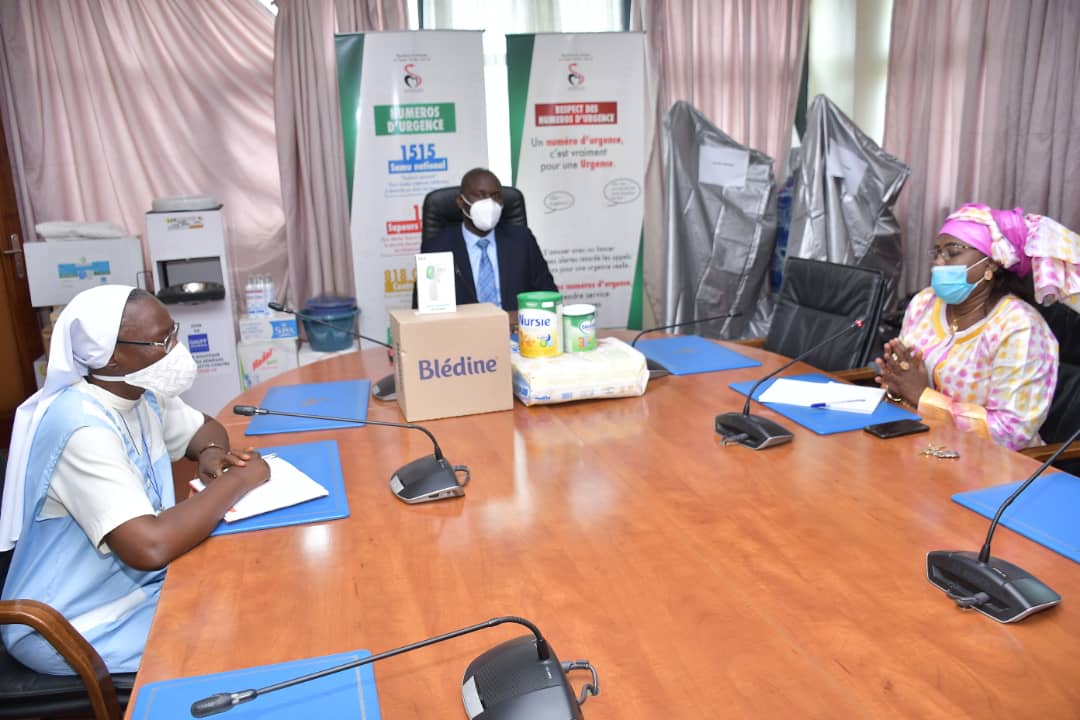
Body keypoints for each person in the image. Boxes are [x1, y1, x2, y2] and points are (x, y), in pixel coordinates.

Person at [0, 285, 269, 675]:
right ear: (111, 358)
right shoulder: (80, 428)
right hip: (70, 621)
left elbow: (205, 429)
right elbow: (150, 546)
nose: (176, 349)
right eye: (162, 341)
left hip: (140, 587)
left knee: (253, 596)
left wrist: (211, 453)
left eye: (173, 333)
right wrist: (238, 481)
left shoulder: (140, 393)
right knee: (239, 638)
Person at [875, 203, 1080, 450]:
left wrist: (922, 397)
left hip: (989, 464)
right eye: (937, 253)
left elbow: (1011, 433)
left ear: (991, 262)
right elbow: (905, 389)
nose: (938, 263)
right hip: (915, 442)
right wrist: (896, 385)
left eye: (952, 253)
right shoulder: (924, 303)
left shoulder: (1020, 327)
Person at [412, 168, 557, 311]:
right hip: (463, 326)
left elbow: (549, 297)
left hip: (515, 325)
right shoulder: (437, 248)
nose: (490, 203)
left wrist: (520, 316)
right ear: (460, 201)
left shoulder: (522, 240)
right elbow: (423, 310)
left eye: (495, 196)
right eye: (481, 195)